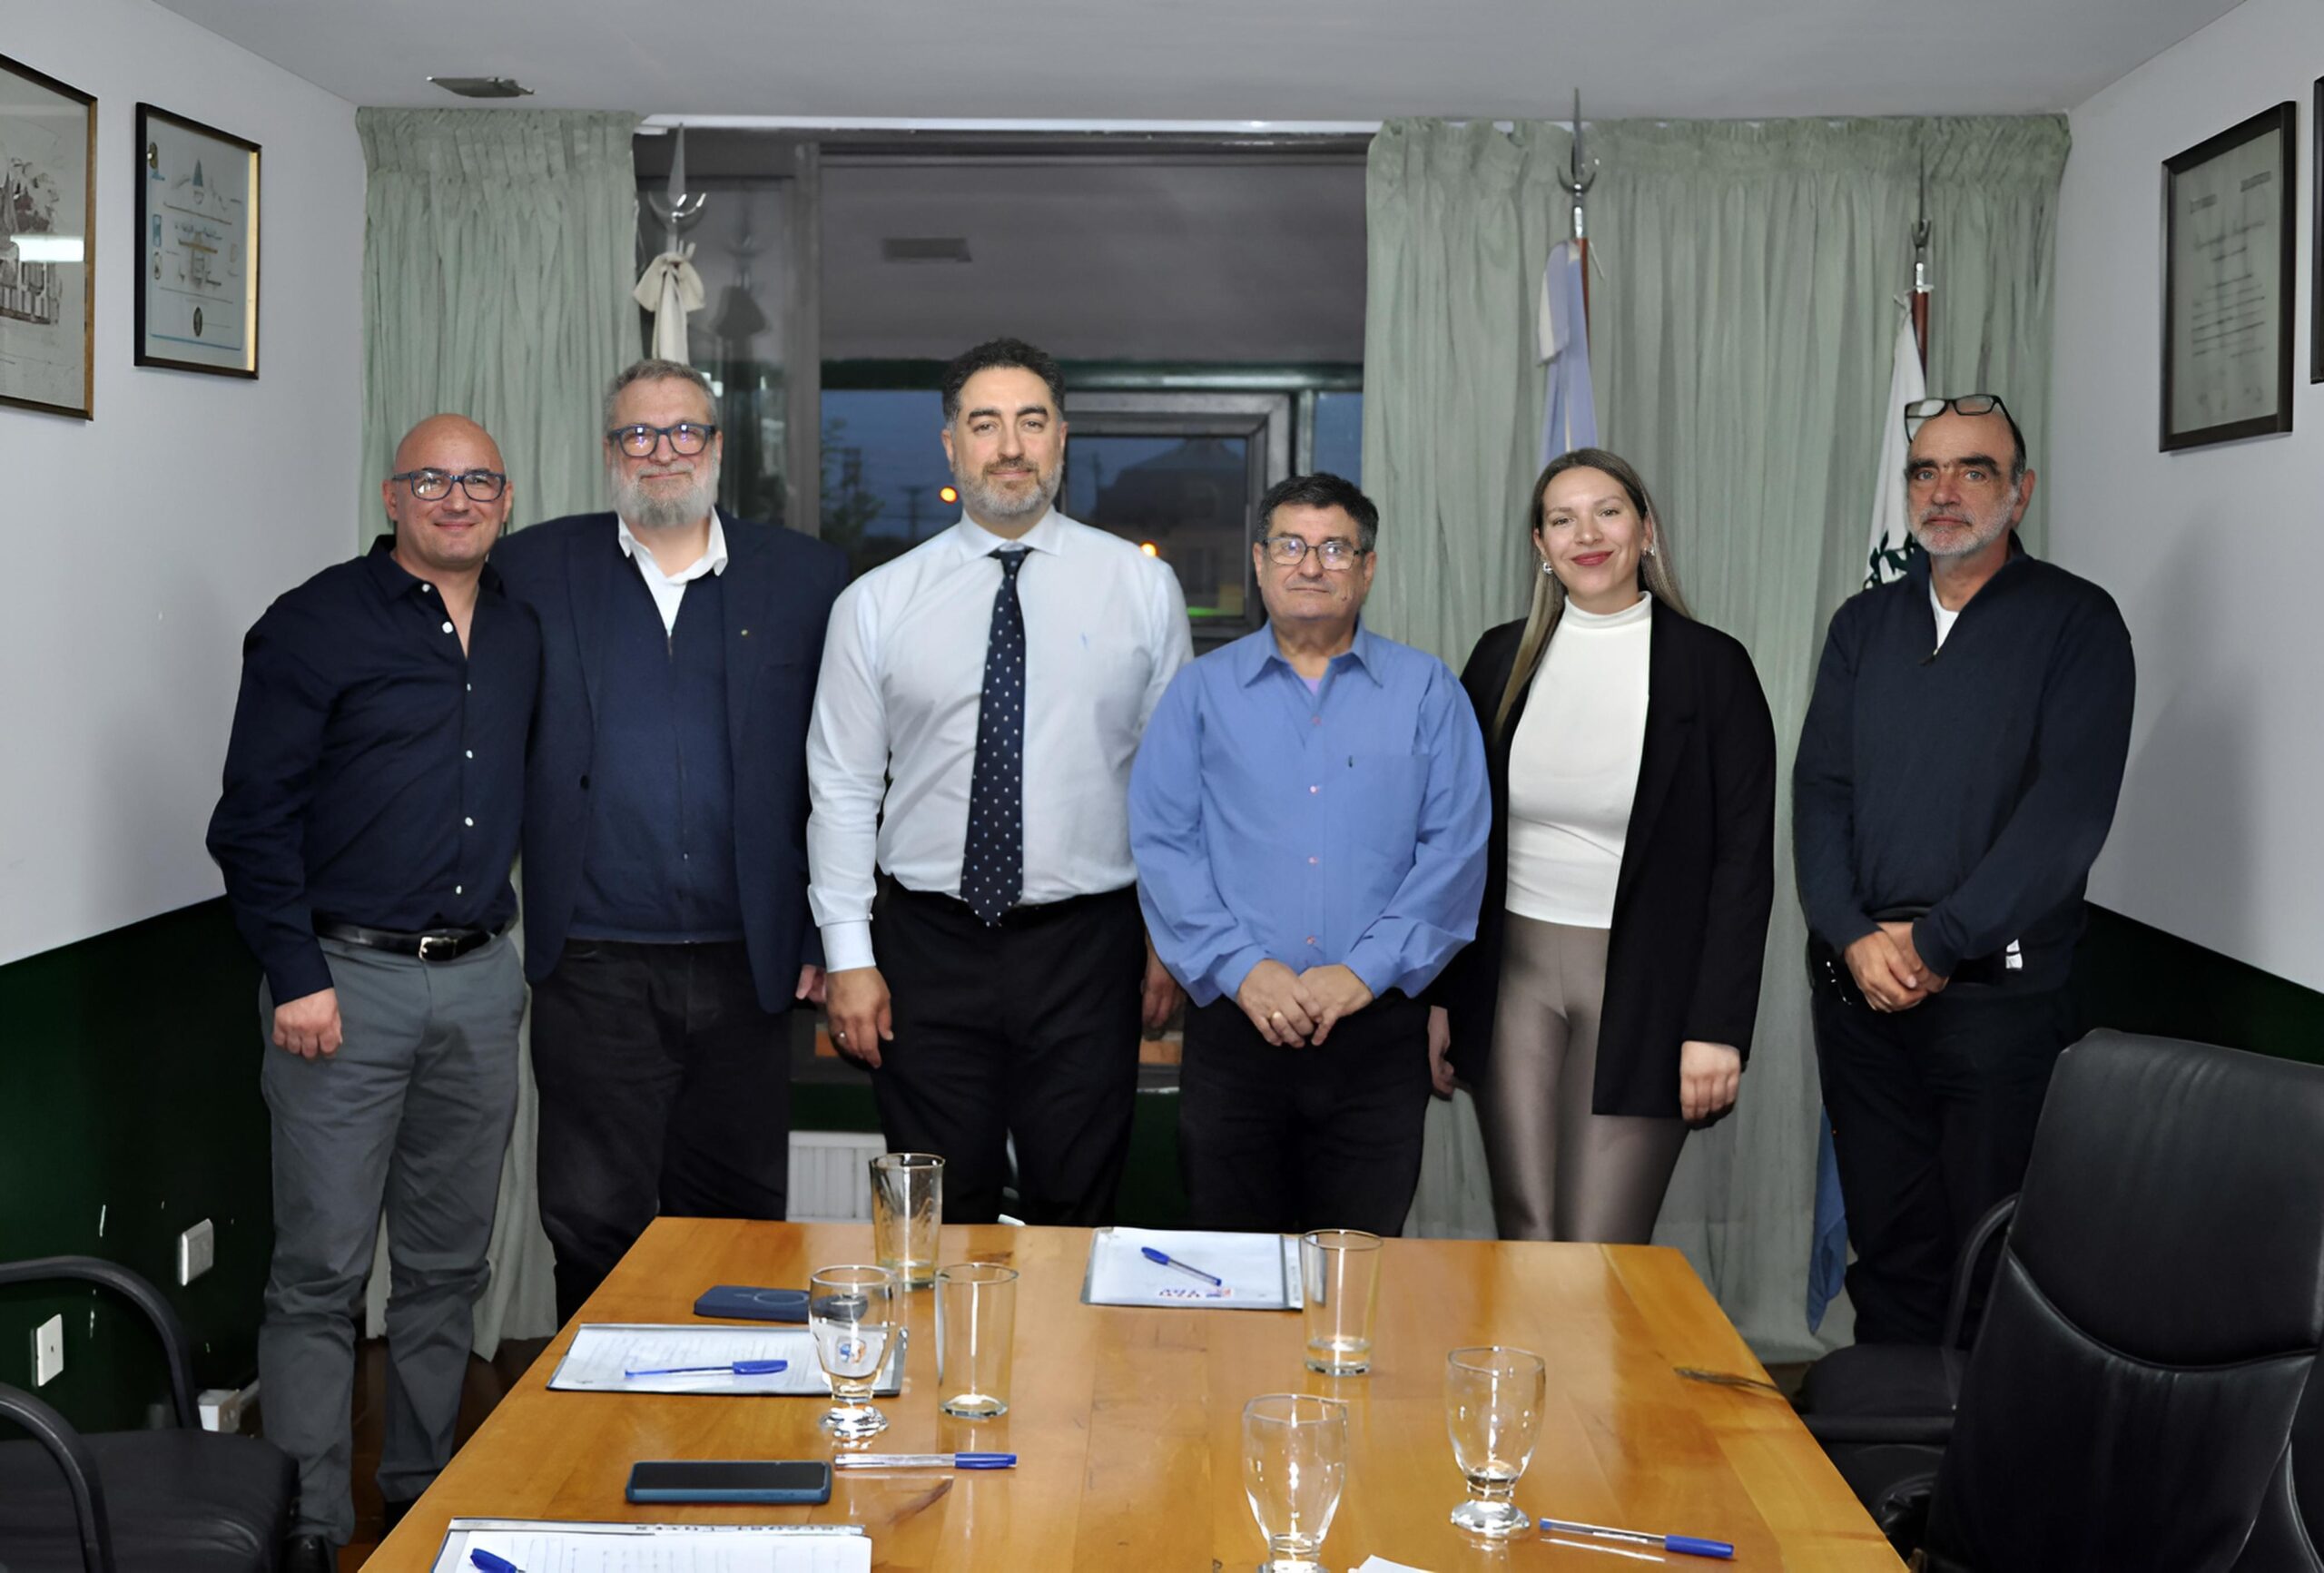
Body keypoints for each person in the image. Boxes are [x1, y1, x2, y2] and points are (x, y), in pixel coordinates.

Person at [208, 416, 538, 1565]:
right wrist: (294, 974)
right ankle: (309, 1527)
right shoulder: (313, 623)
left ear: (506, 500)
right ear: (393, 495)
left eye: (479, 480)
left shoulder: (522, 631)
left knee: (448, 1269)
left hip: (480, 985)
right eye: (431, 478)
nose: (457, 497)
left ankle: (424, 1493)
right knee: (320, 1276)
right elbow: (250, 822)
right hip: (339, 988)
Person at [492, 359, 848, 1323]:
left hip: (748, 964)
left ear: (718, 446)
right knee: (591, 1223)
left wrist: (821, 934)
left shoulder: (807, 579)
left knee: (735, 1223)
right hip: (593, 962)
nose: (662, 452)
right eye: (637, 434)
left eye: (684, 430)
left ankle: (727, 1405)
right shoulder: (532, 568)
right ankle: (596, 1411)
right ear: (609, 450)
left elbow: (844, 772)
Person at [808, 336, 1191, 1224]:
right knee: (938, 1215)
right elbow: (842, 787)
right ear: (951, 444)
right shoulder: (876, 603)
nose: (1010, 446)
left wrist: (1167, 937)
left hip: (1088, 948)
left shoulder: (1143, 588)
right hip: (926, 948)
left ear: (1062, 437)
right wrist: (849, 957)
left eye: (1031, 421)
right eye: (985, 424)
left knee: (1075, 1209)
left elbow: (1170, 787)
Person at [1795, 393, 2134, 1345]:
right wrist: (1851, 934)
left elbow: (2066, 816)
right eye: (1924, 471)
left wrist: (1939, 941)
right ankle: (1884, 1435)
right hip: (1861, 996)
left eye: (1973, 470)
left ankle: (1981, 1444)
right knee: (1889, 1253)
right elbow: (1819, 790)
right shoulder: (1862, 625)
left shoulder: (2076, 621)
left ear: (2020, 493)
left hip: (1997, 1003)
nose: (1942, 491)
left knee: (1992, 1259)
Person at [1130, 472, 1490, 1235]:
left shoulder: (1429, 692)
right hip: (1236, 1025)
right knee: (1234, 1265)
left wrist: (1363, 972)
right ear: (1260, 561)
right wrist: (1242, 967)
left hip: (1378, 1032)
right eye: (1291, 545)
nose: (1312, 564)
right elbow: (1165, 848)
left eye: (1335, 548)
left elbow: (1455, 854)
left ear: (1367, 568)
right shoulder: (1199, 694)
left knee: (1358, 1267)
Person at [1433, 448, 1776, 1244]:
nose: (1586, 534)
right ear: (1540, 545)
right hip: (1511, 981)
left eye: (1608, 511)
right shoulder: (1496, 659)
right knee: (1527, 1231)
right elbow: (1456, 843)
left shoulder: (1712, 668)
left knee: (1597, 1246)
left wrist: (1718, 1026)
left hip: (1650, 989)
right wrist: (1442, 995)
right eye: (1563, 519)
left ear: (1646, 531)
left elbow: (1744, 863)